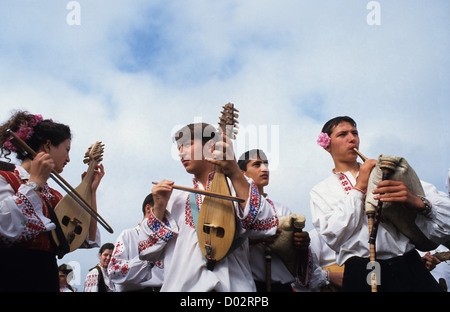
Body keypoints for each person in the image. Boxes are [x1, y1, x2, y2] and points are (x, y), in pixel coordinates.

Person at [310, 116, 450, 292]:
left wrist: (418, 202)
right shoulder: (322, 190)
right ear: (327, 145)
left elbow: (446, 214)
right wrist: (359, 187)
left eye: (355, 133)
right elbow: (334, 236)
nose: (352, 138)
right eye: (342, 134)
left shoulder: (383, 171)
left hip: (408, 263)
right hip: (364, 269)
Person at [138, 122, 278, 291]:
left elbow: (267, 226)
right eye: (179, 148)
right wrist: (159, 207)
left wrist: (234, 172)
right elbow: (147, 252)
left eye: (188, 145)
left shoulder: (238, 186)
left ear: (211, 148)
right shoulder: (176, 200)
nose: (181, 153)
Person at [0, 110, 104, 292]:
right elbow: (7, 226)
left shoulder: (54, 195)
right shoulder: (5, 178)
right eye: (67, 150)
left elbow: (86, 238)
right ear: (48, 146)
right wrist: (35, 182)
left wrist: (90, 192)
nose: (69, 158)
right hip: (11, 274)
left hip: (45, 276)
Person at [237, 149, 316, 291]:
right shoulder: (235, 207)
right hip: (248, 285)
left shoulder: (282, 210)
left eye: (266, 164)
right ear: (242, 173)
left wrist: (301, 243)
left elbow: (296, 258)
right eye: (257, 164)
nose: (264, 168)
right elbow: (226, 244)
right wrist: (255, 239)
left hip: (282, 287)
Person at [108, 193, 164, 292]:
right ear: (148, 209)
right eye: (163, 210)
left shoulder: (166, 240)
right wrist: (148, 259)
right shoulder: (128, 235)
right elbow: (114, 272)